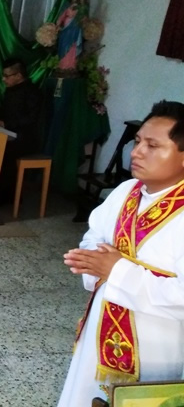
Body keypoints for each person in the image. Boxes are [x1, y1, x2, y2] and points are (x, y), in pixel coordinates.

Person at [58, 101, 184, 406]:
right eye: (138, 141)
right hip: (99, 331)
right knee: (84, 393)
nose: (136, 152)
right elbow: (95, 234)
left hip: (157, 348)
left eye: (152, 145)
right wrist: (91, 260)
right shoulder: (126, 190)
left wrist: (116, 270)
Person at [0, 58, 43, 204]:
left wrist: (6, 124)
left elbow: (31, 119)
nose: (3, 79)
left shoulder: (32, 92)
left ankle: (3, 197)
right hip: (10, 134)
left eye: (6, 76)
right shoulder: (11, 91)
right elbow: (4, 111)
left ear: (18, 76)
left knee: (2, 151)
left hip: (26, 139)